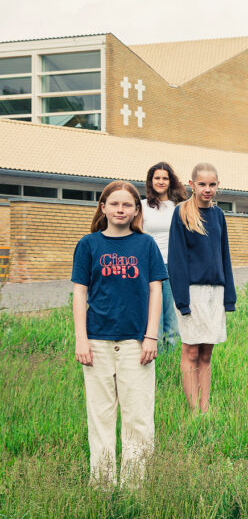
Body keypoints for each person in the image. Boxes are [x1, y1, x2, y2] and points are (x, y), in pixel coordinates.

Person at [71, 181, 166, 487]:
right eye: (114, 204)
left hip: (136, 343)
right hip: (97, 342)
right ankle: (102, 484)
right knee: (100, 416)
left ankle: (133, 488)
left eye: (127, 205)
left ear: (137, 210)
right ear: (103, 207)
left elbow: (156, 291)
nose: (120, 210)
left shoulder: (146, 245)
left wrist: (151, 336)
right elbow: (79, 293)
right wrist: (81, 339)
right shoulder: (88, 244)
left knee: (138, 417)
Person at [167, 163, 235, 413]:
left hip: (215, 293)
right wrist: (182, 301)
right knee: (191, 351)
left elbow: (224, 255)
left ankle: (205, 409)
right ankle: (193, 409)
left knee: (207, 354)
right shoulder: (182, 213)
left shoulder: (219, 215)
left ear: (218, 185)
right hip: (191, 293)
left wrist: (229, 297)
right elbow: (176, 259)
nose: (207, 189)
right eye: (202, 184)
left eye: (212, 184)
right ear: (191, 185)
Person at [140, 162, 187, 352]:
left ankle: (171, 355)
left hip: (173, 265)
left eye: (165, 178)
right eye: (157, 178)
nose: (161, 181)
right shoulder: (142, 206)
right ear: (150, 181)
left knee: (172, 314)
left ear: (170, 181)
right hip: (149, 265)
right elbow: (137, 235)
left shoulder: (179, 207)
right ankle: (155, 351)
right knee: (154, 313)